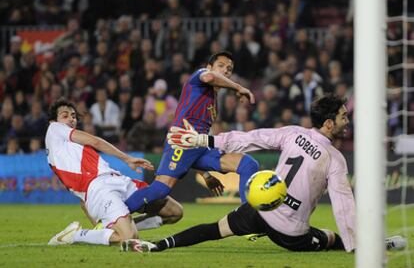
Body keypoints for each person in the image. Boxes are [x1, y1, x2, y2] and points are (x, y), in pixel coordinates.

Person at [135, 94, 406, 253]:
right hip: (290, 232)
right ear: (328, 123)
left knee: (215, 229)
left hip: (258, 208)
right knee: (329, 236)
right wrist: (356, 245)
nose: (347, 122)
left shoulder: (292, 133)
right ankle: (379, 244)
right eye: (344, 117)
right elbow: (344, 207)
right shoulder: (335, 160)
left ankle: (159, 245)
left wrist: (207, 141)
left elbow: (250, 138)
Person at [123, 51, 259, 215]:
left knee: (248, 164)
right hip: (181, 142)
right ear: (209, 67)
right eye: (221, 66)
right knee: (160, 190)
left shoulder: (214, 103)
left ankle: (247, 218)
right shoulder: (199, 77)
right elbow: (210, 77)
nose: (225, 71)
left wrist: (206, 175)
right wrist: (238, 87)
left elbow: (195, 149)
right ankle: (113, 215)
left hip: (198, 145)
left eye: (229, 69)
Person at [46, 98, 183, 247]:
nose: (71, 119)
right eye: (65, 116)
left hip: (118, 180)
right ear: (52, 121)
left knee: (175, 212)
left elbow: (83, 200)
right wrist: (127, 158)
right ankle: (74, 235)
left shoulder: (70, 148)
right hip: (101, 189)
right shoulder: (55, 129)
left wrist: (96, 222)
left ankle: (111, 227)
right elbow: (96, 141)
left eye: (73, 116)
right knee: (129, 237)